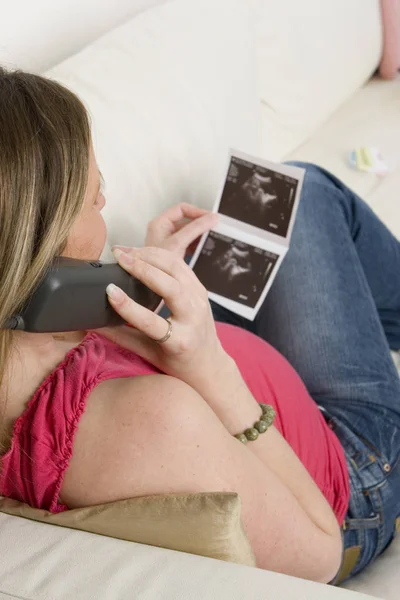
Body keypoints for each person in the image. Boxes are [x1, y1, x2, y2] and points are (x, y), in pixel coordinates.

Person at [0, 67, 399, 585]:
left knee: (267, 205)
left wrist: (149, 294)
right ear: (39, 239)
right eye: (93, 198)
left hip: (249, 394)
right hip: (348, 473)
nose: (104, 201)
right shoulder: (153, 422)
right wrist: (209, 364)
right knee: (310, 191)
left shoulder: (30, 335)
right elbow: (320, 553)